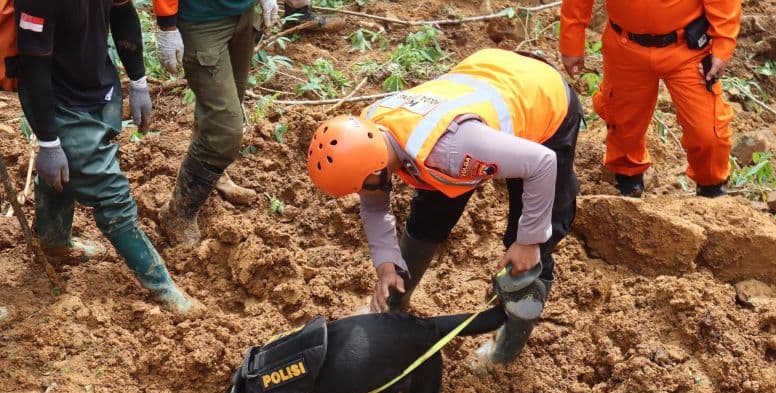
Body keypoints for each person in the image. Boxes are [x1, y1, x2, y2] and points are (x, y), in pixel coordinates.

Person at [307, 48, 582, 362]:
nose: (365, 194)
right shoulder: (369, 131)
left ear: (377, 167)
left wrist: (528, 240)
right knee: (430, 213)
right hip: (489, 80)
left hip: (543, 100)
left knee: (534, 242)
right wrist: (386, 265)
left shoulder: (451, 150)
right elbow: (374, 206)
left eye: (364, 186)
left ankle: (504, 352)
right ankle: (392, 307)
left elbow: (542, 164)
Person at [12, 0, 195, 313]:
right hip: (58, 101)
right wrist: (49, 141)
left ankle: (54, 242)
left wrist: (138, 81)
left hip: (98, 81)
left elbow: (123, 12)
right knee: (113, 195)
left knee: (69, 170)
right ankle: (162, 288)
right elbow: (32, 67)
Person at [153, 0, 339, 246]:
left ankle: (213, 175)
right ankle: (178, 212)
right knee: (226, 127)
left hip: (244, 14)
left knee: (225, 106)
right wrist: (166, 26)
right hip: (202, 20)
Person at [560, 0, 741, 198]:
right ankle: (628, 186)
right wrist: (571, 41)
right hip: (625, 46)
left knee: (707, 133)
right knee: (622, 125)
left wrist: (723, 45)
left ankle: (711, 190)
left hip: (687, 49)